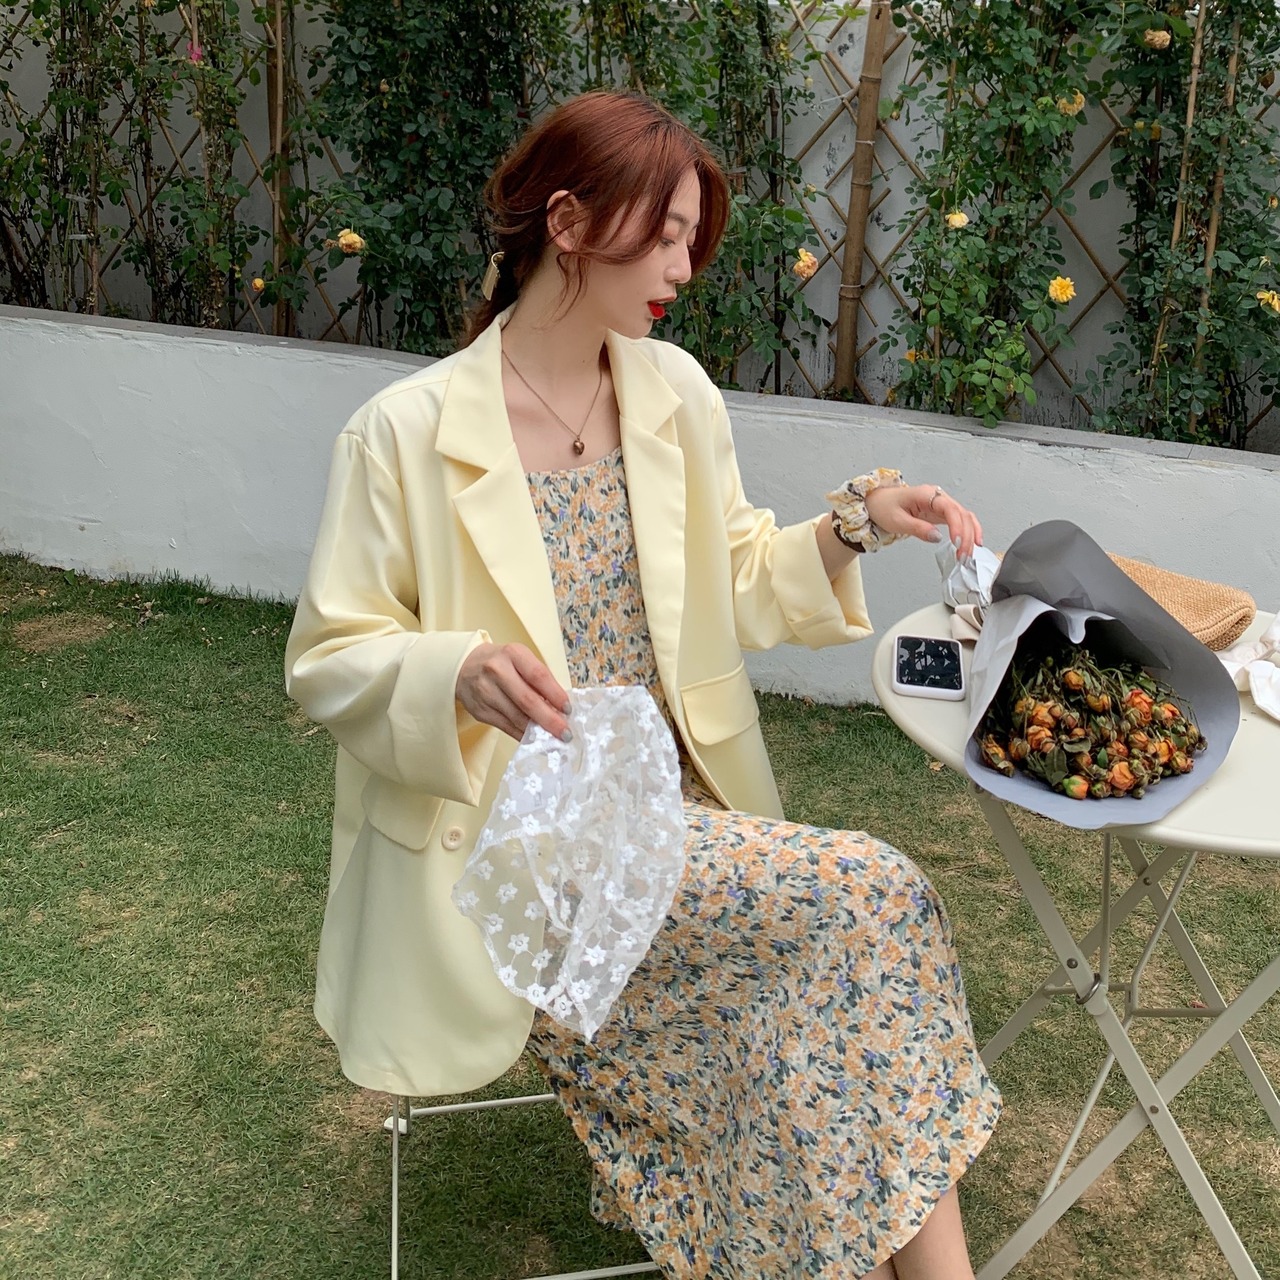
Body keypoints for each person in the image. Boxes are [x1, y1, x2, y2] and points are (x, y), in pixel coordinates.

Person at [285, 90, 1000, 1280]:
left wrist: (857, 523)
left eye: (688, 237)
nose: (682, 265)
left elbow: (736, 578)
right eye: (663, 234)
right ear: (566, 222)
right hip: (524, 842)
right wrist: (454, 669)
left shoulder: (673, 393)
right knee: (867, 897)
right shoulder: (400, 431)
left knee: (830, 958)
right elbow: (328, 653)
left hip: (675, 812)